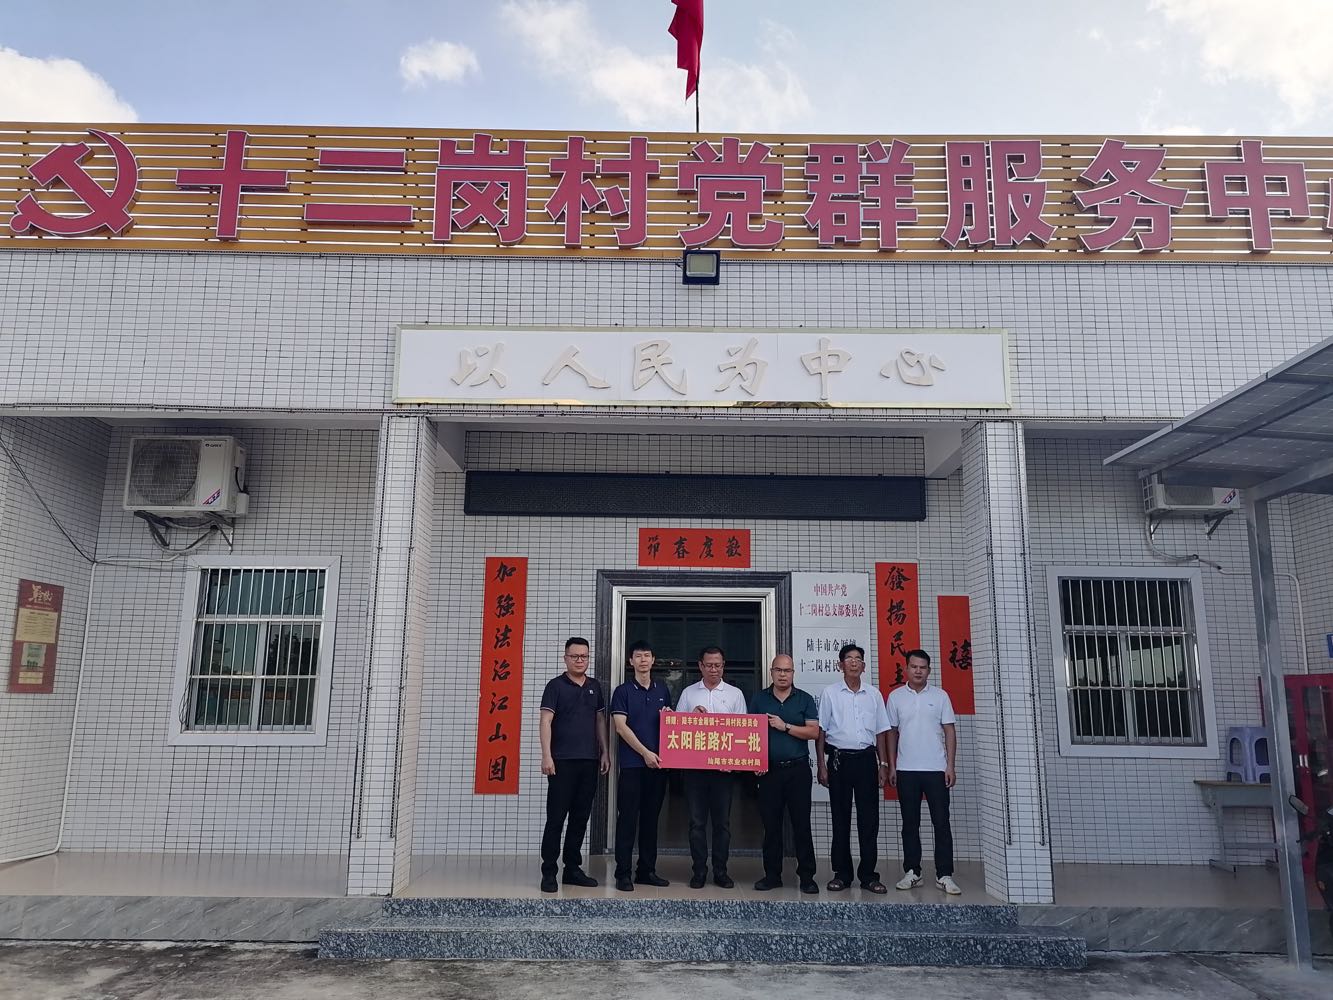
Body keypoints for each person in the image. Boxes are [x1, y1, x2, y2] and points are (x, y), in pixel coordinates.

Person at [816, 643, 892, 894]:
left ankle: (869, 875)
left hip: (866, 761)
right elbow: (821, 731)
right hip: (839, 761)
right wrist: (821, 765)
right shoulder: (830, 693)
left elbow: (881, 732)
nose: (853, 662)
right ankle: (842, 874)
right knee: (840, 819)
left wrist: (883, 764)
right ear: (840, 665)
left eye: (858, 658)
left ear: (864, 666)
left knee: (869, 820)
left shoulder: (874, 694)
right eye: (848, 658)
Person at [886, 649, 961, 895]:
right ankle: (912, 871)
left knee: (941, 822)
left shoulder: (940, 696)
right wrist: (892, 765)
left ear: (929, 670)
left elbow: (949, 731)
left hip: (936, 770)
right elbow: (891, 733)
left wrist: (950, 765)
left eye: (923, 667)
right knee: (910, 823)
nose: (918, 671)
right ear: (906, 669)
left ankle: (944, 874)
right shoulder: (895, 697)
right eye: (914, 666)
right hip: (906, 770)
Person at [538, 636, 610, 893]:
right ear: (565, 658)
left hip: (589, 761)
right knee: (556, 818)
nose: (580, 660)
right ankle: (549, 872)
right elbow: (545, 721)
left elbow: (600, 721)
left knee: (580, 817)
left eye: (584, 656)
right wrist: (546, 755)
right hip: (561, 762)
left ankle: (572, 869)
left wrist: (604, 751)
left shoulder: (595, 686)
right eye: (575, 656)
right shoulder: (555, 686)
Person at [674, 645, 747, 889]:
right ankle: (698, 871)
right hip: (695, 771)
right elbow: (676, 729)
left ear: (723, 666)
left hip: (723, 772)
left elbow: (743, 733)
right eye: (709, 665)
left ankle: (721, 871)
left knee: (722, 824)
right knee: (696, 823)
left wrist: (733, 763)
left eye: (718, 665)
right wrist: (691, 716)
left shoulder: (735, 694)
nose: (713, 669)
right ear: (700, 666)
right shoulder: (688, 693)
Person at [748, 653, 820, 894]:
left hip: (798, 770)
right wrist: (755, 762)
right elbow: (751, 733)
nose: (782, 675)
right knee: (771, 826)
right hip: (769, 771)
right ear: (771, 672)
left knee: (802, 825)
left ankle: (807, 876)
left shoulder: (804, 699)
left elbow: (813, 732)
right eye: (778, 670)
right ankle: (772, 875)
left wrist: (785, 726)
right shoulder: (759, 699)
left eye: (787, 670)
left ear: (793, 673)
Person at [609, 639, 672, 891]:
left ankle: (646, 871)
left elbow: (669, 725)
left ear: (653, 660)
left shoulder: (662, 690)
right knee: (627, 820)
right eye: (638, 656)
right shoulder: (622, 691)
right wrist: (645, 753)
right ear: (630, 661)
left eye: (647, 655)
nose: (643, 660)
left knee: (650, 821)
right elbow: (620, 727)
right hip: (633, 766)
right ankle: (622, 873)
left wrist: (671, 717)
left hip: (658, 767)